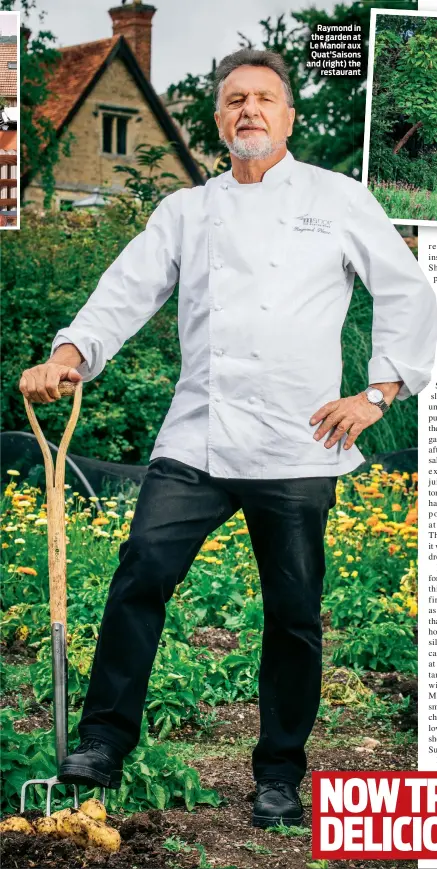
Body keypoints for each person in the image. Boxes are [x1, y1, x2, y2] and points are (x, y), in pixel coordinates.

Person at [19, 48, 437, 829]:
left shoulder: (338, 198)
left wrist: (380, 391)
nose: (248, 109)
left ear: (288, 116)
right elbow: (125, 290)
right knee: (140, 572)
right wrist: (71, 354)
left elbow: (408, 293)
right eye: (233, 99)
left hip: (298, 440)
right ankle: (102, 743)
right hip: (198, 437)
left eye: (263, 99)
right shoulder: (187, 210)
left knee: (293, 613)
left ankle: (279, 773)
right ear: (217, 119)